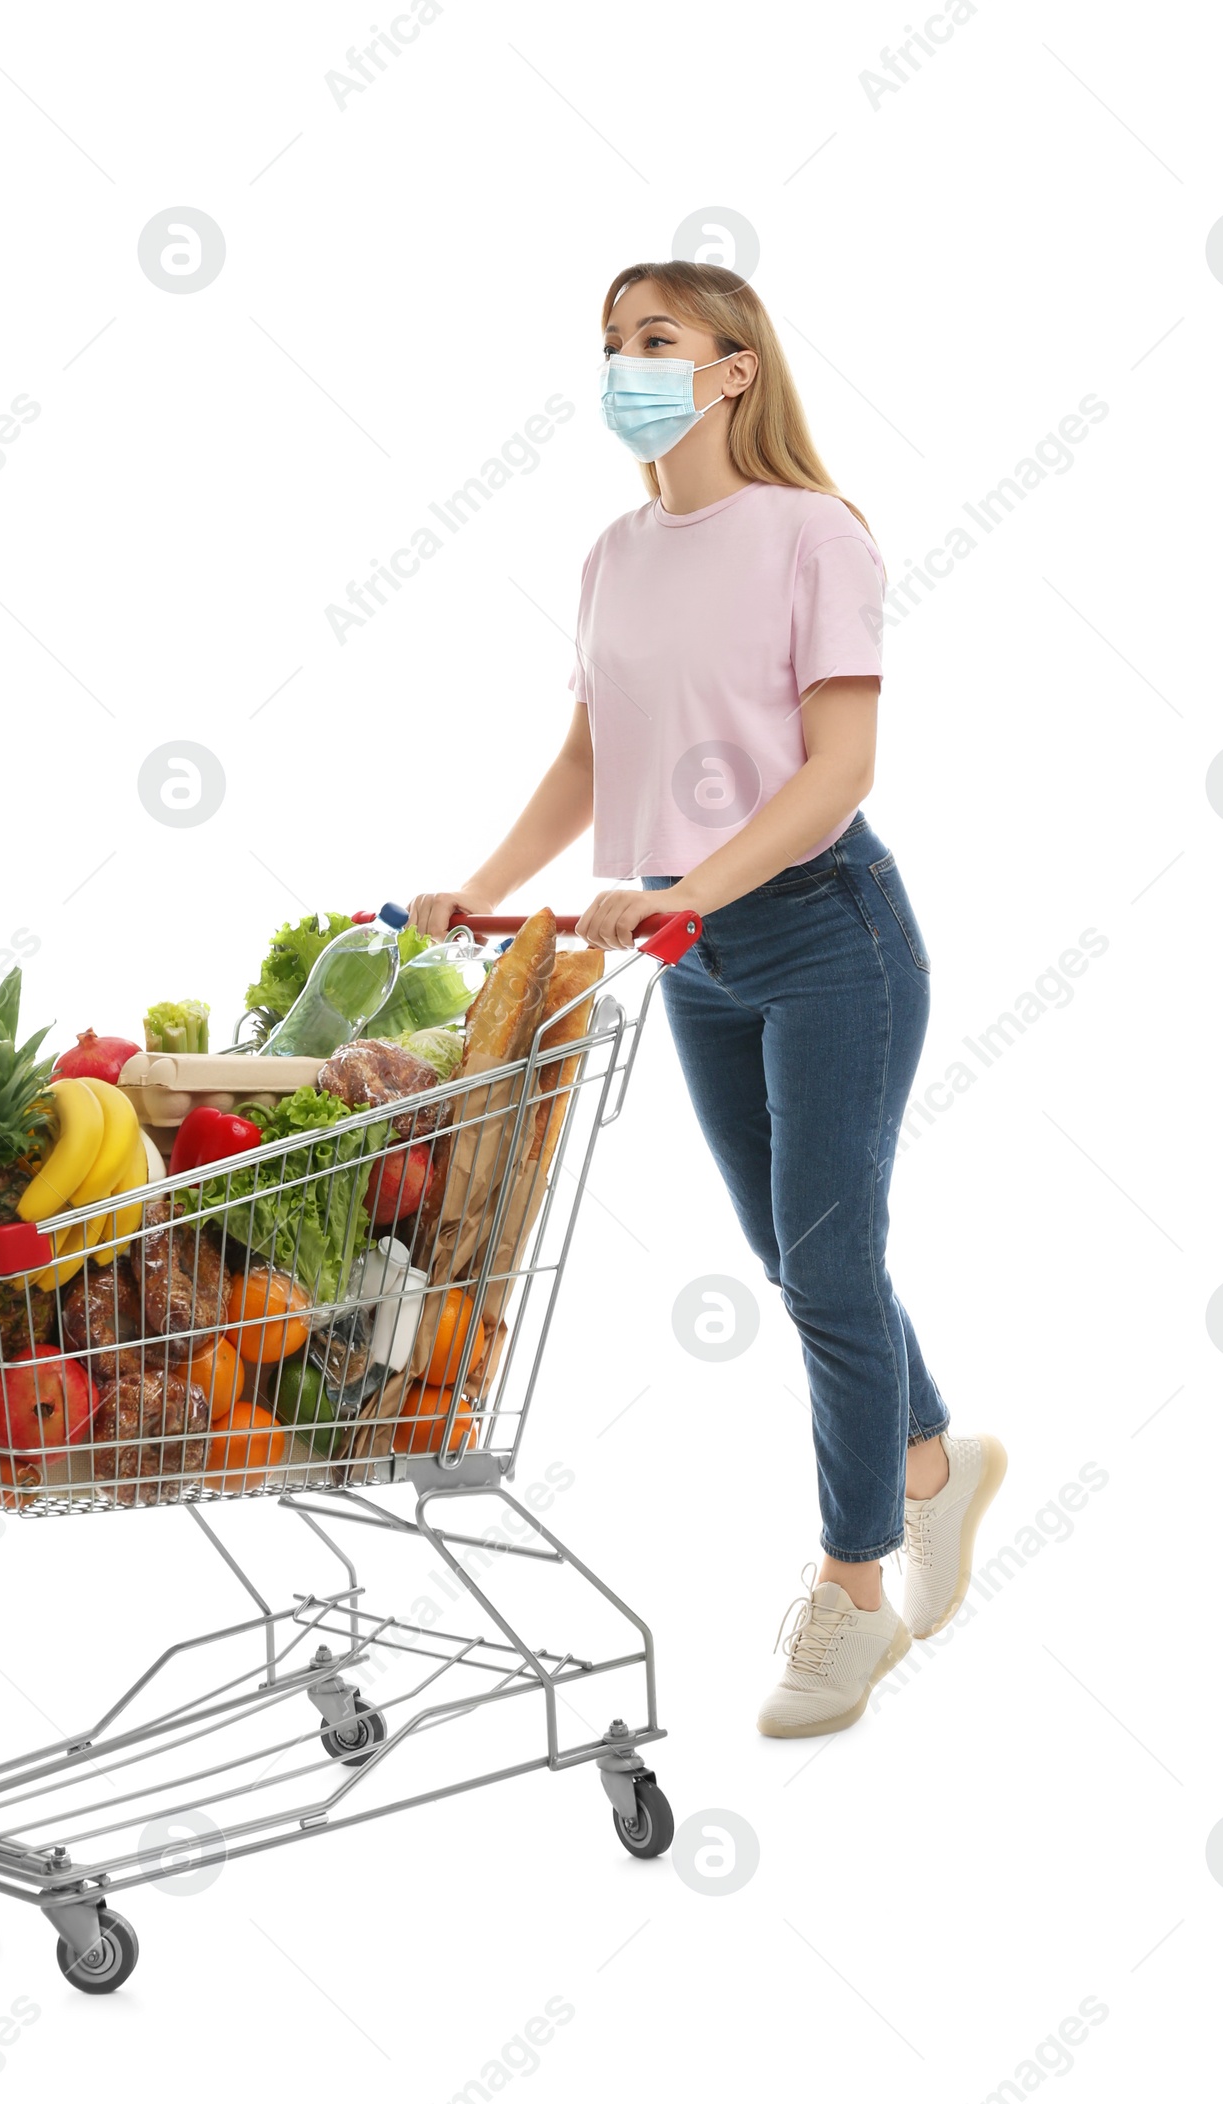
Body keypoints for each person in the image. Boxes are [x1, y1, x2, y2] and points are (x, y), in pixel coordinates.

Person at [409, 260, 1006, 1739]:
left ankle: (853, 1598)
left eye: (657, 339)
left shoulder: (815, 536)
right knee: (802, 1267)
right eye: (611, 343)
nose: (626, 364)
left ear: (735, 368)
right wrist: (476, 889)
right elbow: (589, 765)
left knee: (828, 1264)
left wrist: (687, 889)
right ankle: (936, 1468)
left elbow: (839, 774)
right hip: (694, 960)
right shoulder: (615, 552)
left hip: (826, 935)